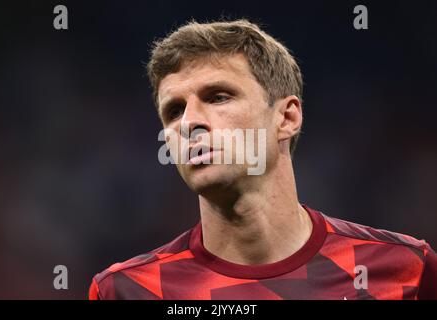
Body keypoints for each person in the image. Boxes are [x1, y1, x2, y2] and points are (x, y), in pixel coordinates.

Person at [89, 19, 437, 300]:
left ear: (286, 118)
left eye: (218, 96)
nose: (189, 122)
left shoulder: (405, 269)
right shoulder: (128, 290)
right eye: (174, 110)